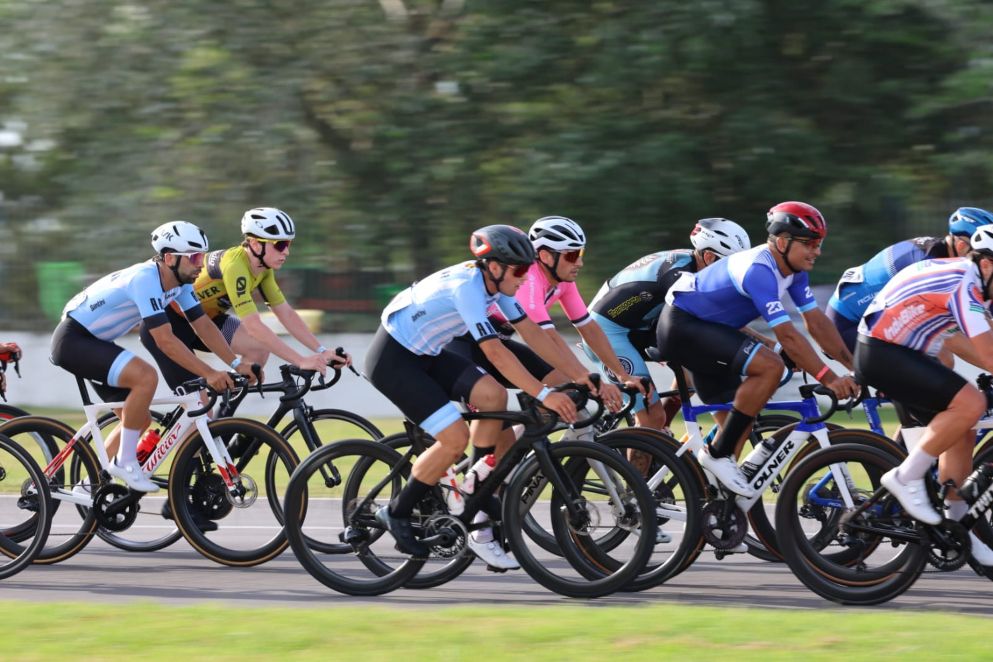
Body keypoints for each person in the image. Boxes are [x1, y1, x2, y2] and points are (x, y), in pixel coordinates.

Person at [366, 224, 590, 568]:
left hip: (428, 352)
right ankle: (395, 512)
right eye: (519, 270)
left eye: (528, 269)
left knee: (493, 395)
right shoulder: (468, 289)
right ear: (495, 267)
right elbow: (498, 354)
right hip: (394, 359)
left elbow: (531, 332)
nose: (525, 276)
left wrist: (581, 376)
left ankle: (475, 485)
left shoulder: (496, 286)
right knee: (453, 438)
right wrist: (544, 394)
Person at [656, 201, 859, 497]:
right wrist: (829, 377)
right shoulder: (759, 270)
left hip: (709, 331)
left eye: (819, 243)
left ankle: (719, 510)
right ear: (781, 241)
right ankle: (715, 456)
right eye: (810, 244)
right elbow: (788, 336)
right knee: (770, 367)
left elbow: (816, 324)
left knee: (740, 421)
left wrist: (854, 367)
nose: (817, 251)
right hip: (681, 327)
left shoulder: (796, 271)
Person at [50, 221, 250, 492]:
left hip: (94, 342)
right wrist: (210, 373)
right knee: (146, 377)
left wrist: (236, 363)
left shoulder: (180, 283)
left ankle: (90, 486)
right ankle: (125, 463)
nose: (200, 264)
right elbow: (165, 341)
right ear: (169, 258)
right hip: (74, 340)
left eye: (202, 256)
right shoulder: (145, 279)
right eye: (194, 257)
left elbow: (203, 326)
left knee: (138, 419)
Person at [857, 226, 993, 565]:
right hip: (882, 351)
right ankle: (905, 477)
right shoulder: (964, 282)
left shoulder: (972, 279)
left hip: (903, 351)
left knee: (964, 428)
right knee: (971, 403)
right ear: (988, 265)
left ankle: (958, 526)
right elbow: (988, 354)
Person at [140, 207, 349, 392]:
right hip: (171, 325)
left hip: (207, 322)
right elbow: (254, 326)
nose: (286, 252)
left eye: (289, 244)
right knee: (199, 409)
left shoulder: (263, 269)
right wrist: (301, 360)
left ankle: (229, 425)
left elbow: (286, 313)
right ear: (256, 245)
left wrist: (321, 351)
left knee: (257, 350)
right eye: (280, 244)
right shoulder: (235, 266)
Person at [585, 218, 751, 430]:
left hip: (639, 326)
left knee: (694, 364)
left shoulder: (692, 264)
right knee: (651, 420)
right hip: (606, 332)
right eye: (726, 264)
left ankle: (664, 434)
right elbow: (715, 320)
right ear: (708, 256)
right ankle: (649, 443)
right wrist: (765, 346)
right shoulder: (678, 274)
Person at [827, 207, 993, 353]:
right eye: (982, 254)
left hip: (878, 323)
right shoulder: (928, 261)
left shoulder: (959, 265)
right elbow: (952, 338)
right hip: (846, 323)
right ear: (961, 246)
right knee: (941, 358)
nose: (984, 261)